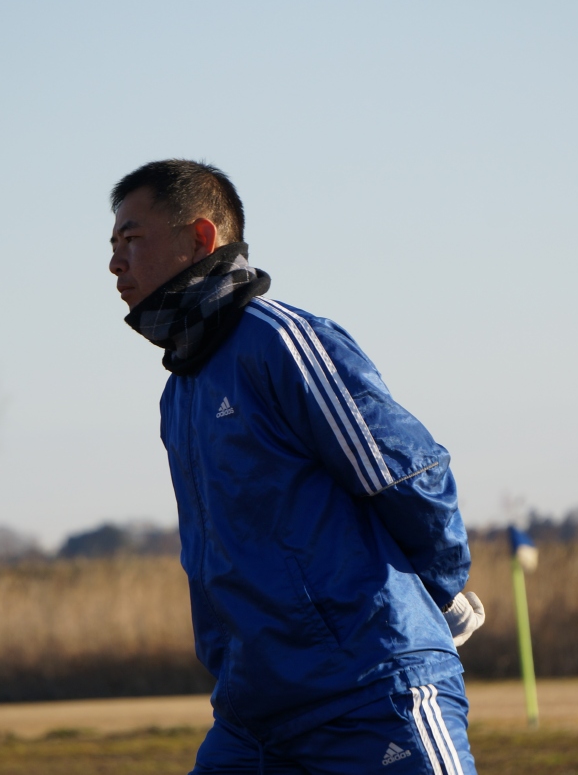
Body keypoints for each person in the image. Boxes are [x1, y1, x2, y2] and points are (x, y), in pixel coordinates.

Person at [109, 159, 484, 774]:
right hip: (252, 719)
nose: (115, 263)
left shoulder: (282, 342)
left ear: (200, 238)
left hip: (371, 693)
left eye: (132, 239)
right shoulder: (180, 392)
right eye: (112, 246)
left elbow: (409, 477)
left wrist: (437, 594)